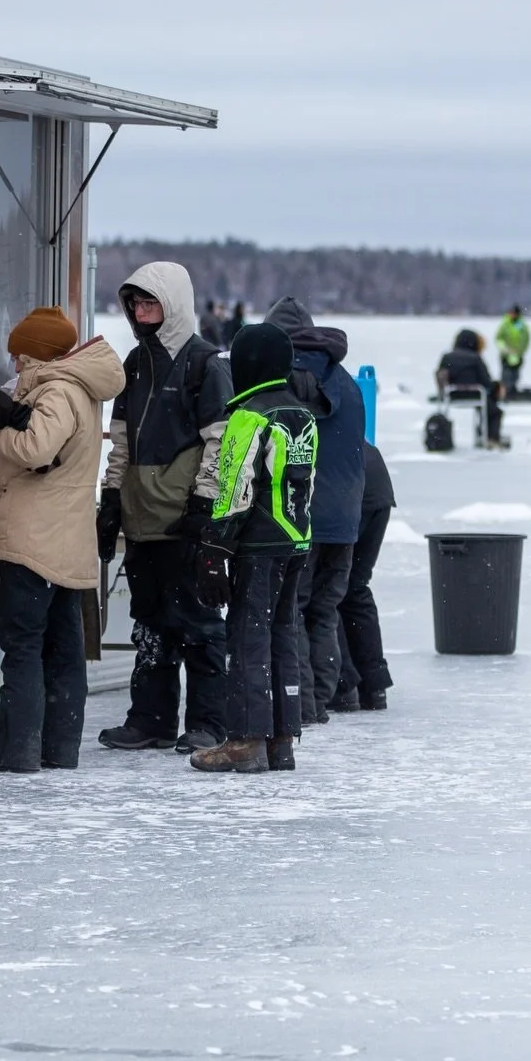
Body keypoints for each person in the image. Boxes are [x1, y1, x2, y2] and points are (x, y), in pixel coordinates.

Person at [0, 306, 124, 773]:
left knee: (22, 646)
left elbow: (37, 450)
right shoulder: (79, 388)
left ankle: (16, 751)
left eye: (18, 355)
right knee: (64, 649)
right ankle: (59, 748)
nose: (14, 363)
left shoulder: (56, 390)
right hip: (65, 539)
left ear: (35, 355)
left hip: (34, 540)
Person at [97, 263, 233, 755]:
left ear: (173, 304)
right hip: (142, 518)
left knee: (198, 625)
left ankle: (208, 722)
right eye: (135, 304)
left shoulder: (205, 365)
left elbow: (221, 443)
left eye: (150, 303)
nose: (140, 313)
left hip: (184, 519)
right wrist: (112, 497)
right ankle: (150, 719)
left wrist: (204, 504)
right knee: (150, 624)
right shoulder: (135, 364)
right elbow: (120, 441)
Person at [187, 323, 317, 773]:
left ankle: (245, 740)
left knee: (247, 638)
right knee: (282, 634)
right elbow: (306, 482)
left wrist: (215, 548)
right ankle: (281, 738)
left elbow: (235, 487)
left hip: (257, 545)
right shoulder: (301, 414)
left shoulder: (249, 416)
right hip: (296, 540)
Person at [264, 297, 364, 726]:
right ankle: (322, 697)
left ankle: (303, 704)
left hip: (300, 514)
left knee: (292, 611)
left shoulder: (280, 380)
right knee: (324, 610)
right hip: (345, 517)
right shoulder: (347, 383)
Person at [332, 441, 394, 712]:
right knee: (354, 587)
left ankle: (345, 685)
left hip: (346, 489)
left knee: (326, 592)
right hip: (375, 484)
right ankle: (373, 685)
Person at [437, 329, 506, 447]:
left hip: (453, 395)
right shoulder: (475, 358)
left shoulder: (447, 357)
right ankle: (490, 438)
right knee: (494, 412)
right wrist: (497, 387)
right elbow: (486, 382)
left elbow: (441, 375)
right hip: (476, 395)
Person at [496, 305, 530, 396]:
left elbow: (525, 339)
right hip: (506, 354)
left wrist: (520, 350)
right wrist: (504, 348)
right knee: (506, 374)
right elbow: (499, 338)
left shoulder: (521, 325)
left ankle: (512, 390)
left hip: (517, 354)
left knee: (515, 374)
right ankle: (505, 391)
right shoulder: (505, 324)